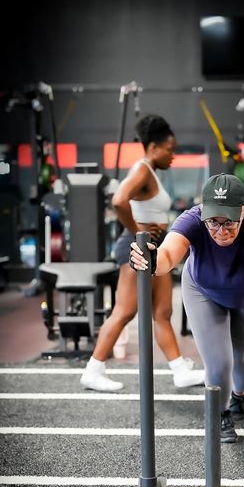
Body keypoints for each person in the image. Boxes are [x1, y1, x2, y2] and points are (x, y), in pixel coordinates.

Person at [129, 172, 244, 442]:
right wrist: (152, 260)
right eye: (213, 222)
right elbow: (168, 254)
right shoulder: (191, 220)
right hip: (202, 290)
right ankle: (221, 413)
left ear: (243, 211)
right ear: (203, 212)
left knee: (240, 352)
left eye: (229, 222)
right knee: (219, 362)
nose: (221, 231)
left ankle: (239, 395)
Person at [80, 114, 205, 392]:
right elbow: (119, 200)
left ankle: (180, 371)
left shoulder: (151, 172)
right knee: (125, 311)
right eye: (169, 149)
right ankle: (93, 370)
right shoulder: (143, 170)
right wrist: (138, 230)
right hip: (136, 247)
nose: (173, 155)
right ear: (153, 147)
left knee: (162, 312)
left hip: (154, 249)